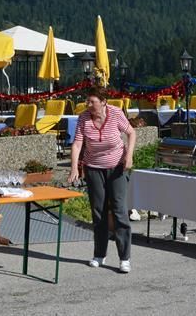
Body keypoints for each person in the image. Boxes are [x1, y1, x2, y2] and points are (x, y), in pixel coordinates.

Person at [69, 89, 136, 273]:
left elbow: (131, 133)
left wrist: (129, 156)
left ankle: (124, 258)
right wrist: (74, 167)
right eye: (87, 102)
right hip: (93, 168)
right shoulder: (84, 118)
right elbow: (77, 144)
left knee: (119, 210)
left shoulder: (115, 113)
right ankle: (99, 254)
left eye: (92, 102)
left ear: (103, 102)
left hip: (117, 167)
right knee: (98, 212)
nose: (88, 105)